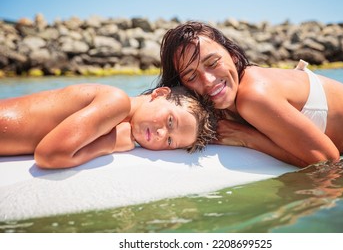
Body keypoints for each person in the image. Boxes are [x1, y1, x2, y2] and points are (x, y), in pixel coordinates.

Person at [157, 21, 343, 167]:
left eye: (212, 62)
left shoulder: (253, 95)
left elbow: (328, 160)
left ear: (233, 56)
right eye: (191, 76)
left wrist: (247, 138)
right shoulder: (221, 102)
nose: (208, 81)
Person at [0, 84, 217, 169]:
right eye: (170, 121)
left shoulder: (118, 116)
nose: (161, 134)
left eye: (170, 141)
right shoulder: (117, 102)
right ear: (159, 93)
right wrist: (111, 143)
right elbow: (48, 155)